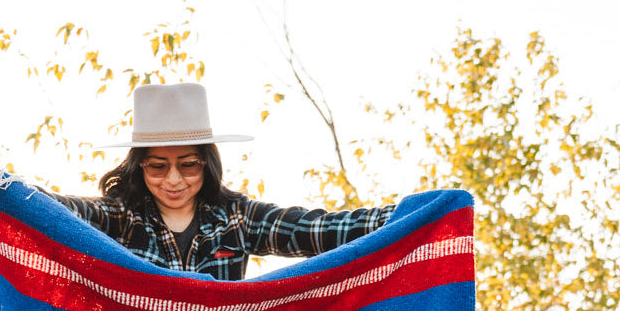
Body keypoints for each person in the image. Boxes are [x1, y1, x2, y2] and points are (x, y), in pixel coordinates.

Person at [51, 82, 395, 280]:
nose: (173, 180)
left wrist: (408, 216)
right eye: (157, 167)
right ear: (139, 166)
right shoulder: (120, 216)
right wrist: (2, 192)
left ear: (207, 164)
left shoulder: (237, 217)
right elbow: (56, 211)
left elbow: (316, 229)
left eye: (187, 165)